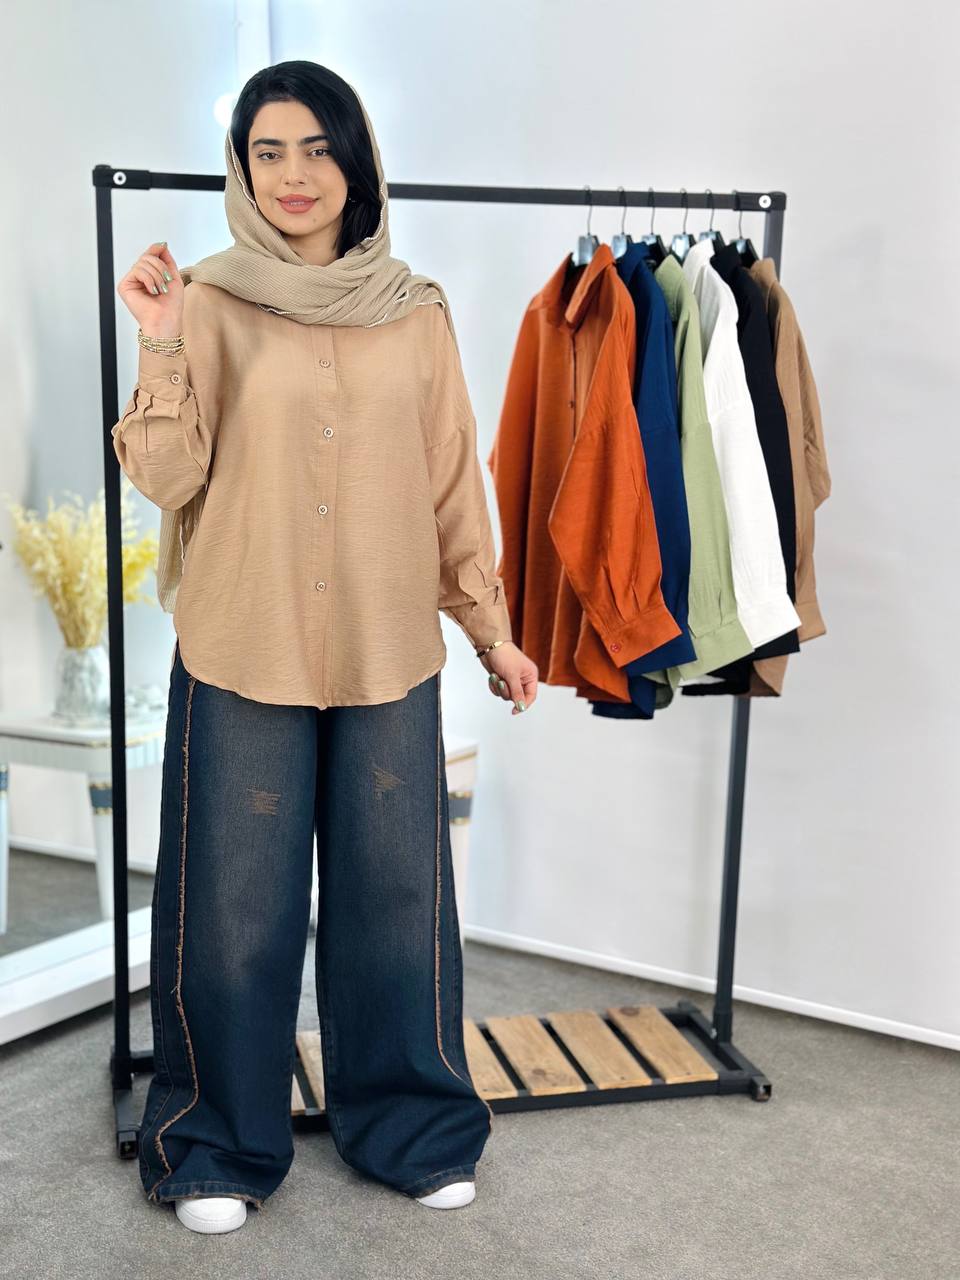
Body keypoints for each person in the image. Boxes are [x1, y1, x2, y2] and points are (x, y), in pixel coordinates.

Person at [112, 60, 538, 1235]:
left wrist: (491, 629)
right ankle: (213, 1141)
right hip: (243, 637)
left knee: (396, 898)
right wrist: (159, 339)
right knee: (232, 907)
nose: (293, 175)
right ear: (242, 169)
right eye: (267, 152)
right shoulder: (204, 299)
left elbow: (451, 481)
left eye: (315, 148)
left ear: (357, 160)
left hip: (384, 638)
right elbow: (165, 476)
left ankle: (412, 1124)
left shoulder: (416, 309)